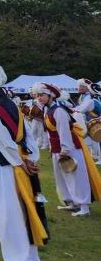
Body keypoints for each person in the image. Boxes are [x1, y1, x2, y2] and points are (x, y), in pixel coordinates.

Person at [0, 64, 45, 261]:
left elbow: (3, 140)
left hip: (4, 165)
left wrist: (19, 162)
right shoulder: (12, 104)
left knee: (8, 213)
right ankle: (31, 259)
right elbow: (26, 136)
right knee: (24, 209)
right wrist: (30, 158)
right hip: (18, 161)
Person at [35, 82, 99, 216]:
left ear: (50, 96)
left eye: (41, 95)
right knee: (62, 177)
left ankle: (84, 207)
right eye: (37, 95)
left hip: (69, 148)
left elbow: (63, 130)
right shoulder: (49, 109)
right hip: (58, 149)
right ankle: (71, 202)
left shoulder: (58, 110)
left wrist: (65, 148)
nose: (39, 98)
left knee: (76, 177)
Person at [73, 79, 101, 163]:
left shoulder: (89, 98)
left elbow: (81, 109)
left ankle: (98, 157)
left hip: (96, 120)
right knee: (94, 140)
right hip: (91, 120)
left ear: (87, 88)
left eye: (81, 86)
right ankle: (96, 156)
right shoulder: (84, 96)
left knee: (96, 139)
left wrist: (73, 110)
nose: (79, 88)